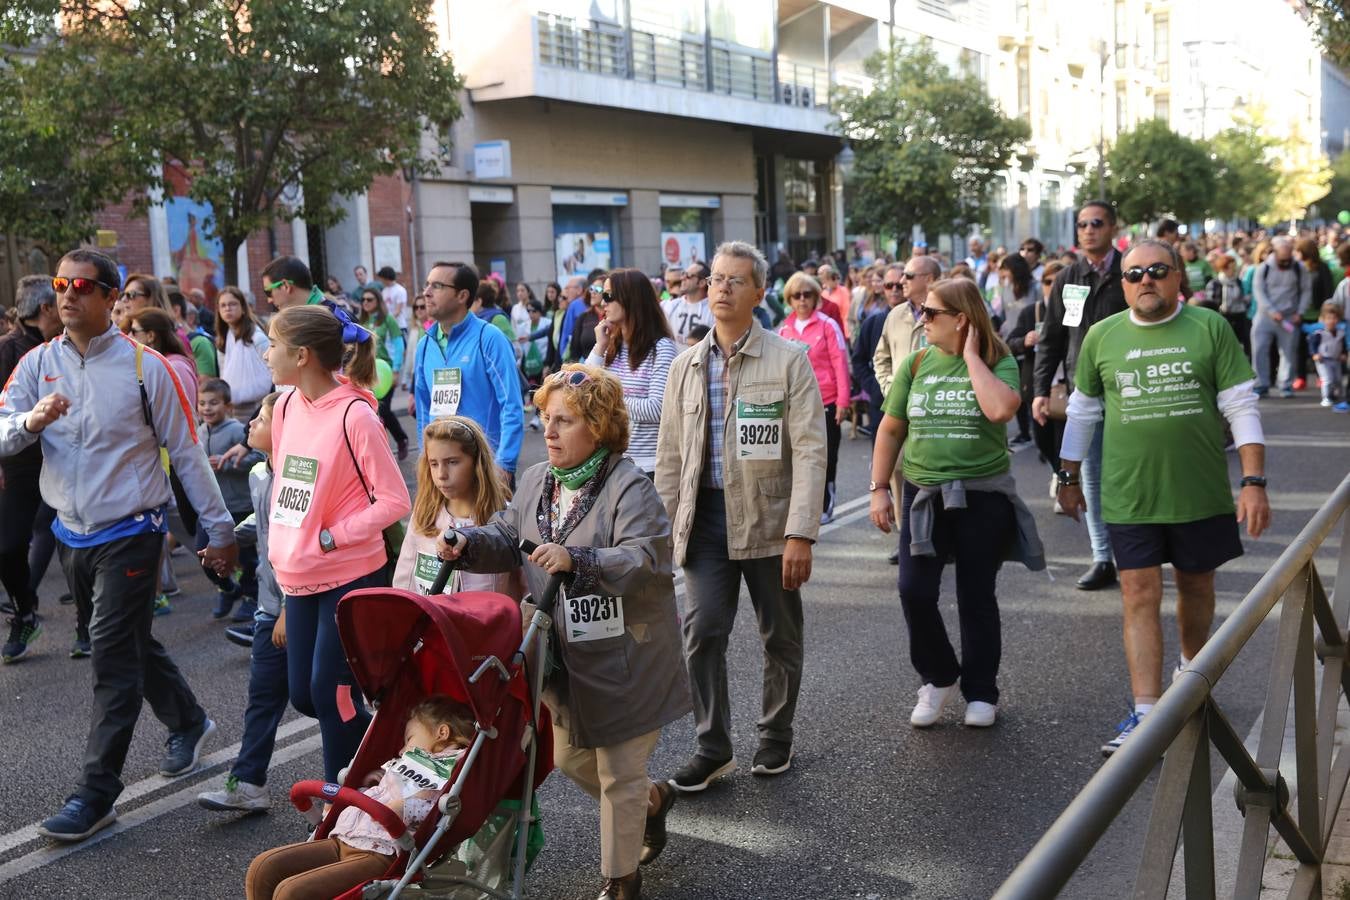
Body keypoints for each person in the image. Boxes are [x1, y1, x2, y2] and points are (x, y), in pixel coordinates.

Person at [0, 249, 238, 841]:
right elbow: (2, 430)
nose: (67, 295)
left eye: (82, 285)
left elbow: (185, 452)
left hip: (133, 531)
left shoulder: (144, 366)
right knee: (128, 639)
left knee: (110, 656)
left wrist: (221, 530)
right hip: (69, 533)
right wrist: (30, 423)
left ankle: (97, 792)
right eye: (60, 284)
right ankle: (190, 720)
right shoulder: (35, 363)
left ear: (110, 298)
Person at [440, 365, 690, 900]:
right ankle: (651, 802)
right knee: (570, 757)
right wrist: (468, 543)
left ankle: (621, 879)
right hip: (560, 656)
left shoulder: (630, 485)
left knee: (619, 770)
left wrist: (578, 559)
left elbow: (643, 557)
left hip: (625, 655)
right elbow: (507, 536)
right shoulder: (537, 480)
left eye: (564, 420)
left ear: (596, 428)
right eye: (545, 418)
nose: (547, 431)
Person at [1056, 239, 1269, 755]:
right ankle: (1148, 711)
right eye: (1133, 274)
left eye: (1156, 270)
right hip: (1130, 493)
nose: (1144, 280)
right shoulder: (1102, 336)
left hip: (1199, 491)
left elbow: (1240, 404)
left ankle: (1190, 683)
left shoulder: (1209, 327)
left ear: (1178, 277)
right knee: (1138, 594)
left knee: (1196, 589)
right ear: (1123, 283)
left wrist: (1253, 481)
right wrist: (1066, 478)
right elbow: (1083, 410)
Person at [654, 240, 827, 791]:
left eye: (735, 280)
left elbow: (809, 449)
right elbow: (670, 457)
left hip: (770, 519)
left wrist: (801, 532)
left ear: (758, 292)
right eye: (716, 280)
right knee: (702, 631)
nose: (722, 288)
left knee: (780, 636)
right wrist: (659, 532)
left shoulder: (787, 359)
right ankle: (713, 747)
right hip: (704, 521)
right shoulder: (685, 366)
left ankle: (775, 737)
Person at [868, 277, 1043, 728]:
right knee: (914, 590)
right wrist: (879, 488)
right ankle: (939, 675)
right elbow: (890, 429)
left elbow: (1002, 410)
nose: (922, 319)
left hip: (981, 497)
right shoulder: (915, 363)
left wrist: (969, 358)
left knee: (975, 594)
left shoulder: (997, 360)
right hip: (923, 496)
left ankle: (981, 691)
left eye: (931, 313)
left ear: (961, 319)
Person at [265, 304, 412, 783]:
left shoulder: (356, 416)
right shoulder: (286, 406)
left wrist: (332, 536)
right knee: (305, 696)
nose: (266, 355)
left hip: (349, 569)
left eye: (273, 345)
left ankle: (339, 802)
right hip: (298, 572)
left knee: (331, 694)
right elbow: (289, 482)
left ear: (302, 355)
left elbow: (393, 501)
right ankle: (384, 744)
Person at [245, 696, 474, 900]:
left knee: (292, 892)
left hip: (381, 852)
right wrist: (376, 783)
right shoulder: (406, 765)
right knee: (262, 869)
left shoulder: (454, 768)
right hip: (345, 837)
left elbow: (436, 809)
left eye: (409, 738)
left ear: (442, 733)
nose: (403, 750)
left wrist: (402, 808)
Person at [197, 392, 290, 811]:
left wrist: (292, 607)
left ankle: (355, 784)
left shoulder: (300, 475)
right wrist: (229, 539)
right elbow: (263, 521)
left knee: (324, 700)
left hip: (302, 606)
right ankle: (249, 782)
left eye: (262, 419)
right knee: (263, 695)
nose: (251, 425)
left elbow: (301, 543)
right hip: (269, 605)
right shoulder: (258, 473)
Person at [1032, 200, 1128, 592]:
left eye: (1097, 223)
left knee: (1129, 473)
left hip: (1129, 388)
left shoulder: (1130, 271)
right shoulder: (1069, 277)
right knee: (1089, 475)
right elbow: (1051, 337)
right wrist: (1040, 390)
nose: (1088, 230)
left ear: (1113, 227)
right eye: (1082, 224)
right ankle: (1103, 557)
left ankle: (1137, 551)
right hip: (1084, 390)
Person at [413, 261, 524, 481]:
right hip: (442, 473)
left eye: (437, 286)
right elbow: (424, 412)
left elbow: (511, 405)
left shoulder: (489, 338)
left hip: (485, 469)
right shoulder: (425, 346)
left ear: (462, 296)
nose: (426, 293)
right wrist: (427, 460)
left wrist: (504, 463)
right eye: (427, 285)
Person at [0, 276, 63, 662]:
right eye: (60, 299)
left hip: (69, 459)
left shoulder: (66, 345)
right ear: (44, 308)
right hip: (21, 463)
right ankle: (25, 611)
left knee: (69, 543)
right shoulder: (10, 349)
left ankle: (85, 627)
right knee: (7, 546)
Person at [393, 415, 520, 597]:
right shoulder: (424, 517)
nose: (441, 474)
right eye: (434, 464)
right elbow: (404, 585)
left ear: (477, 463)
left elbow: (527, 592)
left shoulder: (507, 518)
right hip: (434, 624)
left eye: (452, 462)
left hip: (489, 625)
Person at [874, 257, 940, 561]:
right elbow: (881, 357)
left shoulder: (948, 309)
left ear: (928, 278)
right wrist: (891, 389)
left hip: (938, 409)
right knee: (900, 473)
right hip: (902, 411)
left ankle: (940, 537)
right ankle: (907, 541)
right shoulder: (895, 315)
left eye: (909, 276)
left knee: (938, 471)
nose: (901, 282)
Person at [584, 269, 679, 476]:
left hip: (648, 466)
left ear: (630, 298)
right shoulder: (611, 344)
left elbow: (657, 409)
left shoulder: (661, 348)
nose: (602, 303)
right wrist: (600, 347)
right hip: (611, 462)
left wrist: (608, 397)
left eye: (608, 295)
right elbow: (583, 389)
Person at [776, 272, 850, 523]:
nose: (802, 300)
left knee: (827, 455)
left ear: (816, 297)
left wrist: (843, 401)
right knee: (797, 457)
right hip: (795, 403)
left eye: (807, 294)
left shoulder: (828, 325)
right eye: (796, 296)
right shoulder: (784, 330)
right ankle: (803, 508)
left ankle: (826, 505)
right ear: (789, 299)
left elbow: (840, 363)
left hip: (826, 400)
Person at [195, 378, 263, 622]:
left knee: (245, 558)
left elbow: (258, 456)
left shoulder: (237, 430)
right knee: (202, 552)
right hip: (210, 507)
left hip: (238, 505)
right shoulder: (200, 431)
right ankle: (226, 588)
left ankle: (251, 597)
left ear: (228, 406)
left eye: (214, 403)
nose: (207, 408)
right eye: (202, 403)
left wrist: (228, 462)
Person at [1250, 236, 1311, 398]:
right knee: (1259, 351)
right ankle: (1261, 384)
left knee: (1288, 353)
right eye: (1282, 254)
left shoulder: (1299, 268)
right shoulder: (1263, 268)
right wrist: (1271, 311)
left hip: (1290, 317)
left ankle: (1285, 384)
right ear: (1275, 251)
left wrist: (1300, 311)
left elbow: (1306, 290)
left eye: (1288, 254)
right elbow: (1259, 292)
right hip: (1265, 316)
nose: (1285, 259)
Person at [851, 265, 905, 440]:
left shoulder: (923, 320)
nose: (895, 290)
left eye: (899, 285)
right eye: (890, 285)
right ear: (883, 289)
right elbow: (858, 360)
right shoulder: (873, 322)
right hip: (881, 402)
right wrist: (874, 387)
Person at [357, 287, 410, 458]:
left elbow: (399, 345)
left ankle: (401, 439)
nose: (365, 302)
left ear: (378, 302)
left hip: (386, 372)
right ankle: (381, 448)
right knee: (372, 411)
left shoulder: (388, 320)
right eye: (363, 299)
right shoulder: (362, 321)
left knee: (383, 408)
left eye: (370, 299)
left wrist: (395, 371)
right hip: (367, 372)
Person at [215, 285, 273, 421]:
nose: (227, 309)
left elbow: (272, 369)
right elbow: (224, 374)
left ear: (243, 308)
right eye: (223, 305)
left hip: (257, 407)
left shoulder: (257, 338)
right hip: (232, 408)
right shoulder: (224, 339)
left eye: (233, 304)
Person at [996, 254, 1036, 445]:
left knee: (1030, 389)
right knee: (1015, 387)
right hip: (1011, 343)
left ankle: (1036, 426)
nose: (1003, 274)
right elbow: (1004, 314)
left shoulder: (1035, 288)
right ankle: (1023, 430)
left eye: (1006, 269)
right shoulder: (1006, 288)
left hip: (1032, 344)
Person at [1205, 253, 1249, 357]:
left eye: (1235, 268)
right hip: (1223, 317)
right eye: (1231, 268)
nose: (1234, 271)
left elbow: (1242, 297)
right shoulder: (1215, 283)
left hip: (1239, 317)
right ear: (1223, 268)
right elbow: (1211, 304)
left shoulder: (1237, 281)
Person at [1308, 301, 1348, 409]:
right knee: (1327, 379)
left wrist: (1344, 354)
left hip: (1336, 359)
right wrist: (1314, 354)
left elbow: (1343, 346)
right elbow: (1313, 345)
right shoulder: (1319, 333)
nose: (1332, 321)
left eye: (1334, 318)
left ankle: (1338, 396)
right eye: (1329, 318)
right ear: (1323, 319)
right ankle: (1326, 397)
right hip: (1323, 360)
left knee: (1338, 379)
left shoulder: (1341, 333)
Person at [662, 262, 712, 345]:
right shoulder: (670, 306)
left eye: (688, 276)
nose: (682, 278)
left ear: (702, 283)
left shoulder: (712, 310)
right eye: (683, 274)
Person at [377, 266, 409, 334]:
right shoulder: (384, 291)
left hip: (399, 325)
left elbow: (398, 311)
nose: (381, 280)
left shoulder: (400, 290)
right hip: (387, 327)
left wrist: (386, 321)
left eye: (381, 278)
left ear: (386, 277)